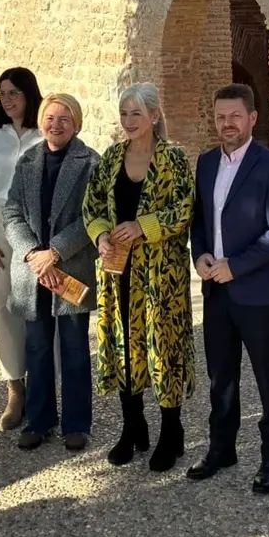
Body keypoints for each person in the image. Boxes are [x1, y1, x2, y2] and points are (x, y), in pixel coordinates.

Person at [186, 84, 269, 494]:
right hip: (216, 290)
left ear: (252, 118)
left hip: (259, 292)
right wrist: (200, 257)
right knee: (221, 376)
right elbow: (200, 222)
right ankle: (221, 448)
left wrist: (238, 266)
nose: (226, 124)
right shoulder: (206, 162)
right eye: (220, 116)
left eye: (235, 116)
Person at [82, 82, 195, 472]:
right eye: (124, 113)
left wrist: (143, 226)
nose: (129, 121)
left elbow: (184, 209)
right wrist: (99, 234)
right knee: (123, 345)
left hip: (160, 275)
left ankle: (171, 430)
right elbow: (92, 205)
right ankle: (133, 425)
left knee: (162, 348)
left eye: (137, 113)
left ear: (154, 116)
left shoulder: (173, 159)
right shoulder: (111, 158)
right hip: (117, 272)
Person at [3, 93, 100, 451]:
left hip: (69, 268)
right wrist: (33, 254)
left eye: (64, 118)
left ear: (76, 123)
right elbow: (11, 213)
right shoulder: (27, 160)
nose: (55, 124)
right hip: (32, 273)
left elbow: (92, 216)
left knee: (74, 348)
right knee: (38, 347)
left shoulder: (90, 162)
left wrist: (55, 252)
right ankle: (39, 420)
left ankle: (77, 423)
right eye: (49, 117)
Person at [0, 67, 45, 430]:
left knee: (38, 306)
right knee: (5, 307)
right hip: (0, 226)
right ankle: (15, 386)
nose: (8, 99)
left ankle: (43, 384)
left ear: (29, 94)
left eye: (14, 92)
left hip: (37, 226)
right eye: (3, 93)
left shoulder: (44, 131)